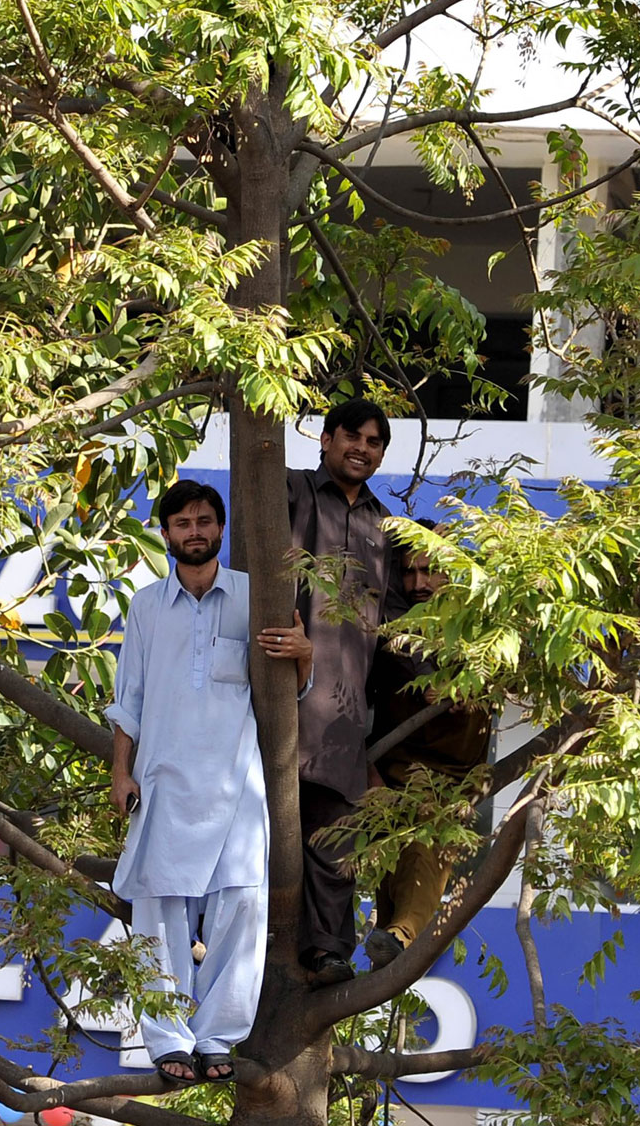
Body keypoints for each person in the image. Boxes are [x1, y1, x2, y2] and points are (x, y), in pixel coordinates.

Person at [108, 479, 312, 1087]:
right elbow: (130, 700)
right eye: (181, 523)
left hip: (240, 782)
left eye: (203, 521)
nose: (193, 532)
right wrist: (121, 770)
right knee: (160, 910)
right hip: (164, 781)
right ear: (166, 534)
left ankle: (218, 1036)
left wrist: (304, 653)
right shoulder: (145, 605)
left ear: (220, 529)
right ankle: (169, 1040)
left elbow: (291, 690)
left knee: (241, 908)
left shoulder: (257, 595)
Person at [287, 398, 404, 985]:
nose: (361, 447)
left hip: (347, 710)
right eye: (351, 436)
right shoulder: (289, 493)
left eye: (374, 441)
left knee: (335, 839)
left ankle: (328, 953)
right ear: (326, 439)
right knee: (266, 834)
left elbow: (397, 630)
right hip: (280, 697)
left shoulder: (387, 526)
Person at [364, 524, 491, 968]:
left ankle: (401, 934)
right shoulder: (391, 625)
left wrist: (467, 687)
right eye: (409, 572)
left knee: (428, 842)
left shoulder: (481, 622)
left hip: (457, 770)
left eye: (430, 570)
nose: (419, 582)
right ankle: (388, 935)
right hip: (395, 764)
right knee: (392, 849)